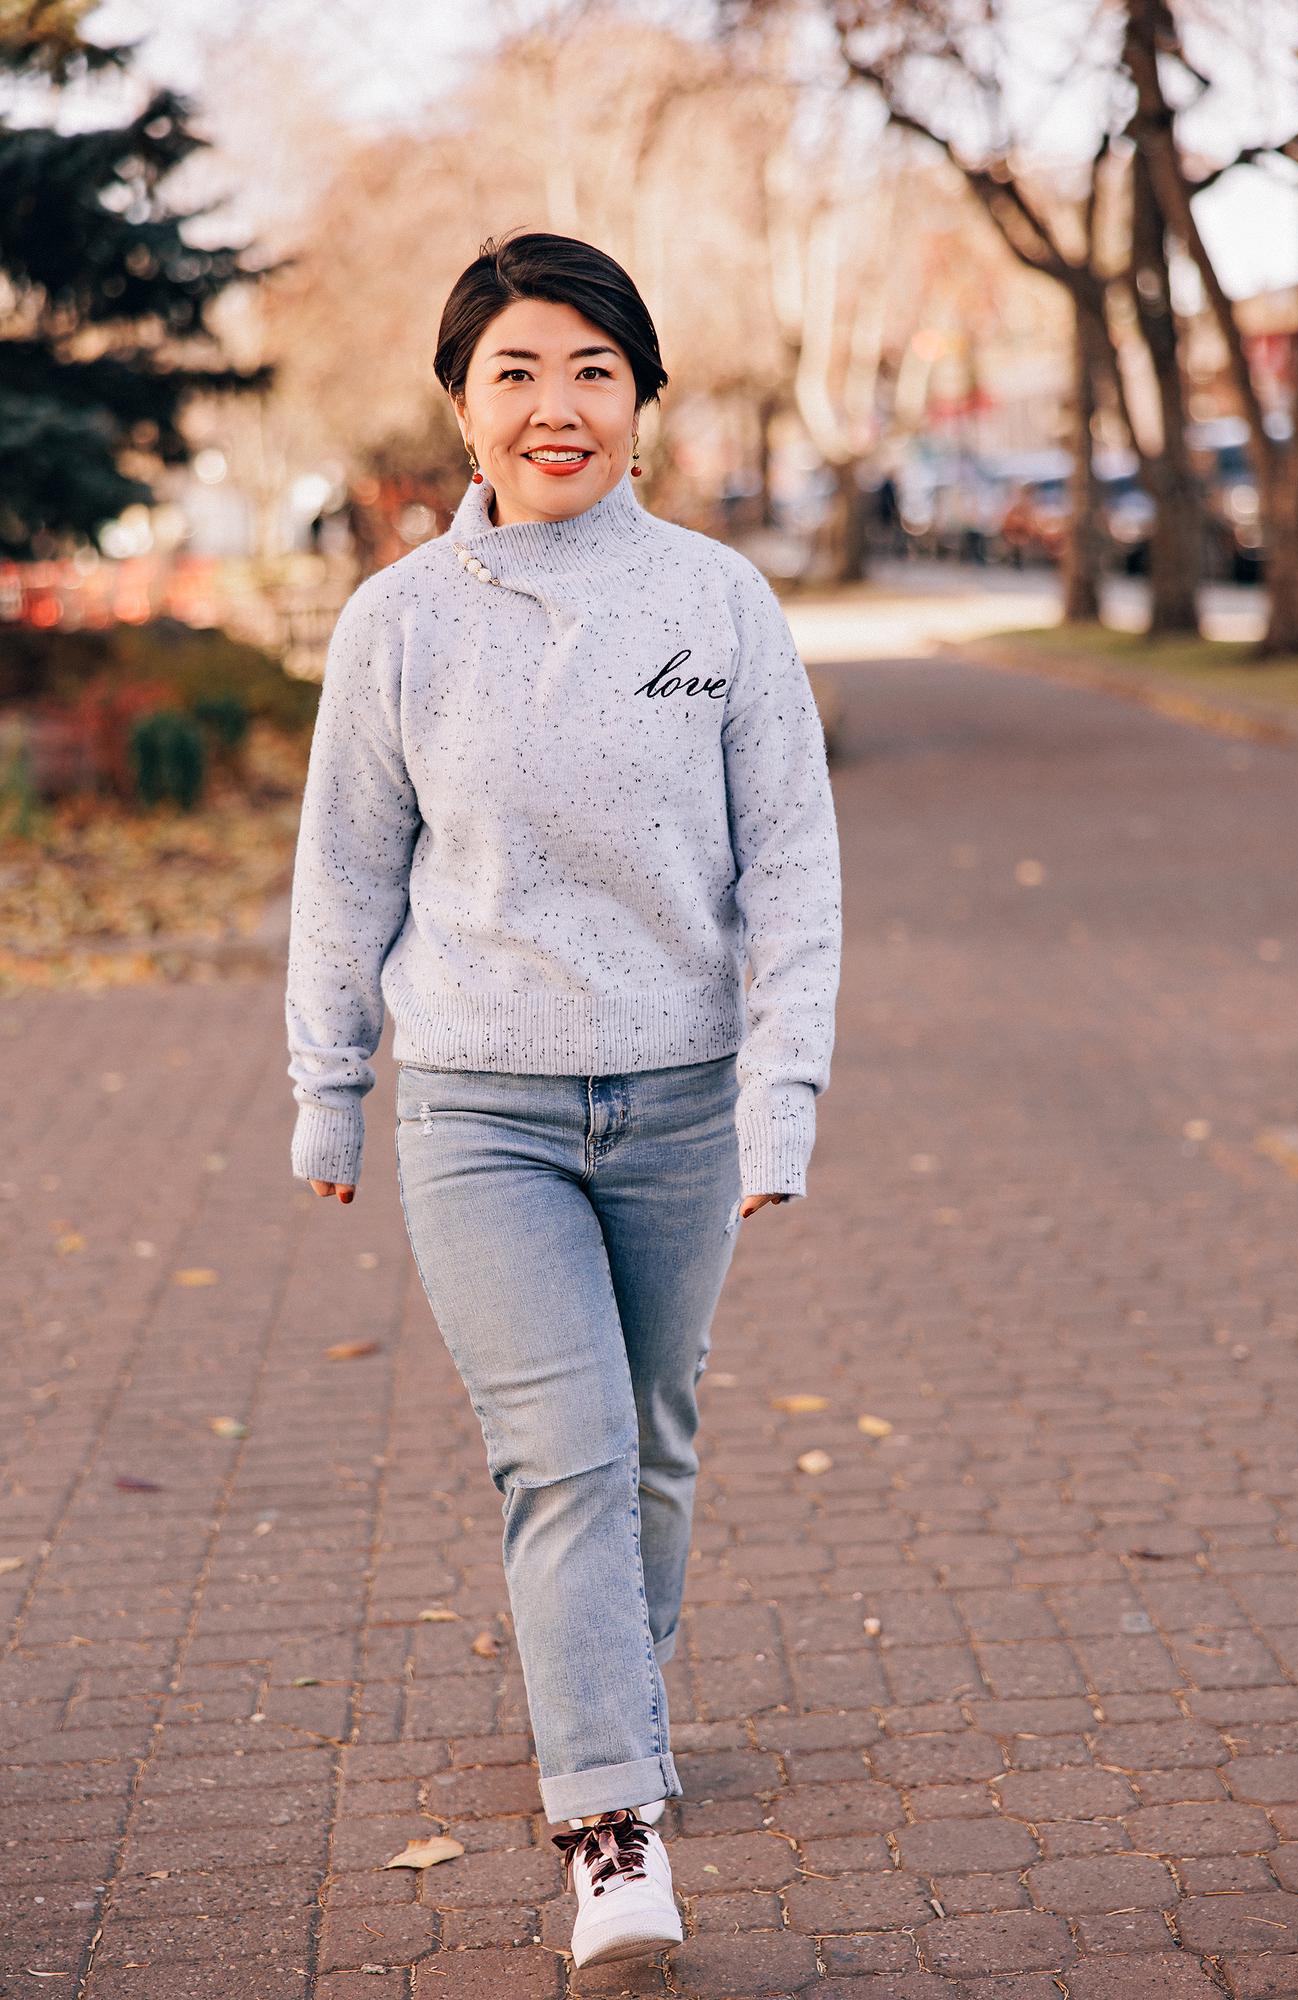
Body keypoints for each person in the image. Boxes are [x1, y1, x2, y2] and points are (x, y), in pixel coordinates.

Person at [283, 228, 842, 1970]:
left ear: (641, 400)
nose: (555, 405)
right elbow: (344, 871)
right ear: (462, 406)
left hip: (679, 1104)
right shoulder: (399, 625)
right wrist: (328, 1091)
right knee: (567, 1457)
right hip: (479, 1112)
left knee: (651, 1434)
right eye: (516, 370)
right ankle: (613, 1832)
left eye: (592, 369)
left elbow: (793, 871)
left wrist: (780, 1097)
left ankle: (615, 1691)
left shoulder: (716, 604)